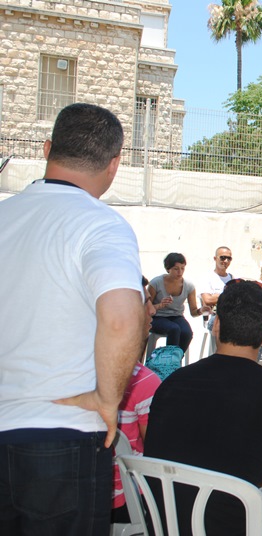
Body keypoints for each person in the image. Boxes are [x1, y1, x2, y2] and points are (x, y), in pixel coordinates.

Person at [0, 103, 145, 535]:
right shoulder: (102, 225)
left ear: (48, 149)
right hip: (61, 437)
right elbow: (121, 319)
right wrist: (107, 399)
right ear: (114, 163)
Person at [145, 280, 262, 535]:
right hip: (238, 528)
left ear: (216, 325)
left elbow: (190, 461)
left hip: (166, 526)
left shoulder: (171, 384)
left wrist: (259, 475)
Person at [111, 277, 161, 524]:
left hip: (89, 495)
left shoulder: (81, 371)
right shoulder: (144, 382)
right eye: (145, 302)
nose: (152, 310)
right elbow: (155, 449)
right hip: (132, 499)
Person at [148, 252, 210, 353]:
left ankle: (176, 358)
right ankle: (168, 360)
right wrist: (160, 305)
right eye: (176, 269)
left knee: (187, 333)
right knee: (174, 329)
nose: (180, 272)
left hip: (176, 316)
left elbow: (193, 312)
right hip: (157, 317)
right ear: (168, 269)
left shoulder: (188, 286)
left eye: (182, 268)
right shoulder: (156, 283)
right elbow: (145, 308)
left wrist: (200, 311)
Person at [199, 246, 235, 334]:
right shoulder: (207, 278)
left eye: (229, 258)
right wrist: (229, 295)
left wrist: (216, 296)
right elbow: (207, 300)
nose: (226, 261)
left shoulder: (232, 279)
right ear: (215, 258)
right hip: (215, 317)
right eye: (222, 257)